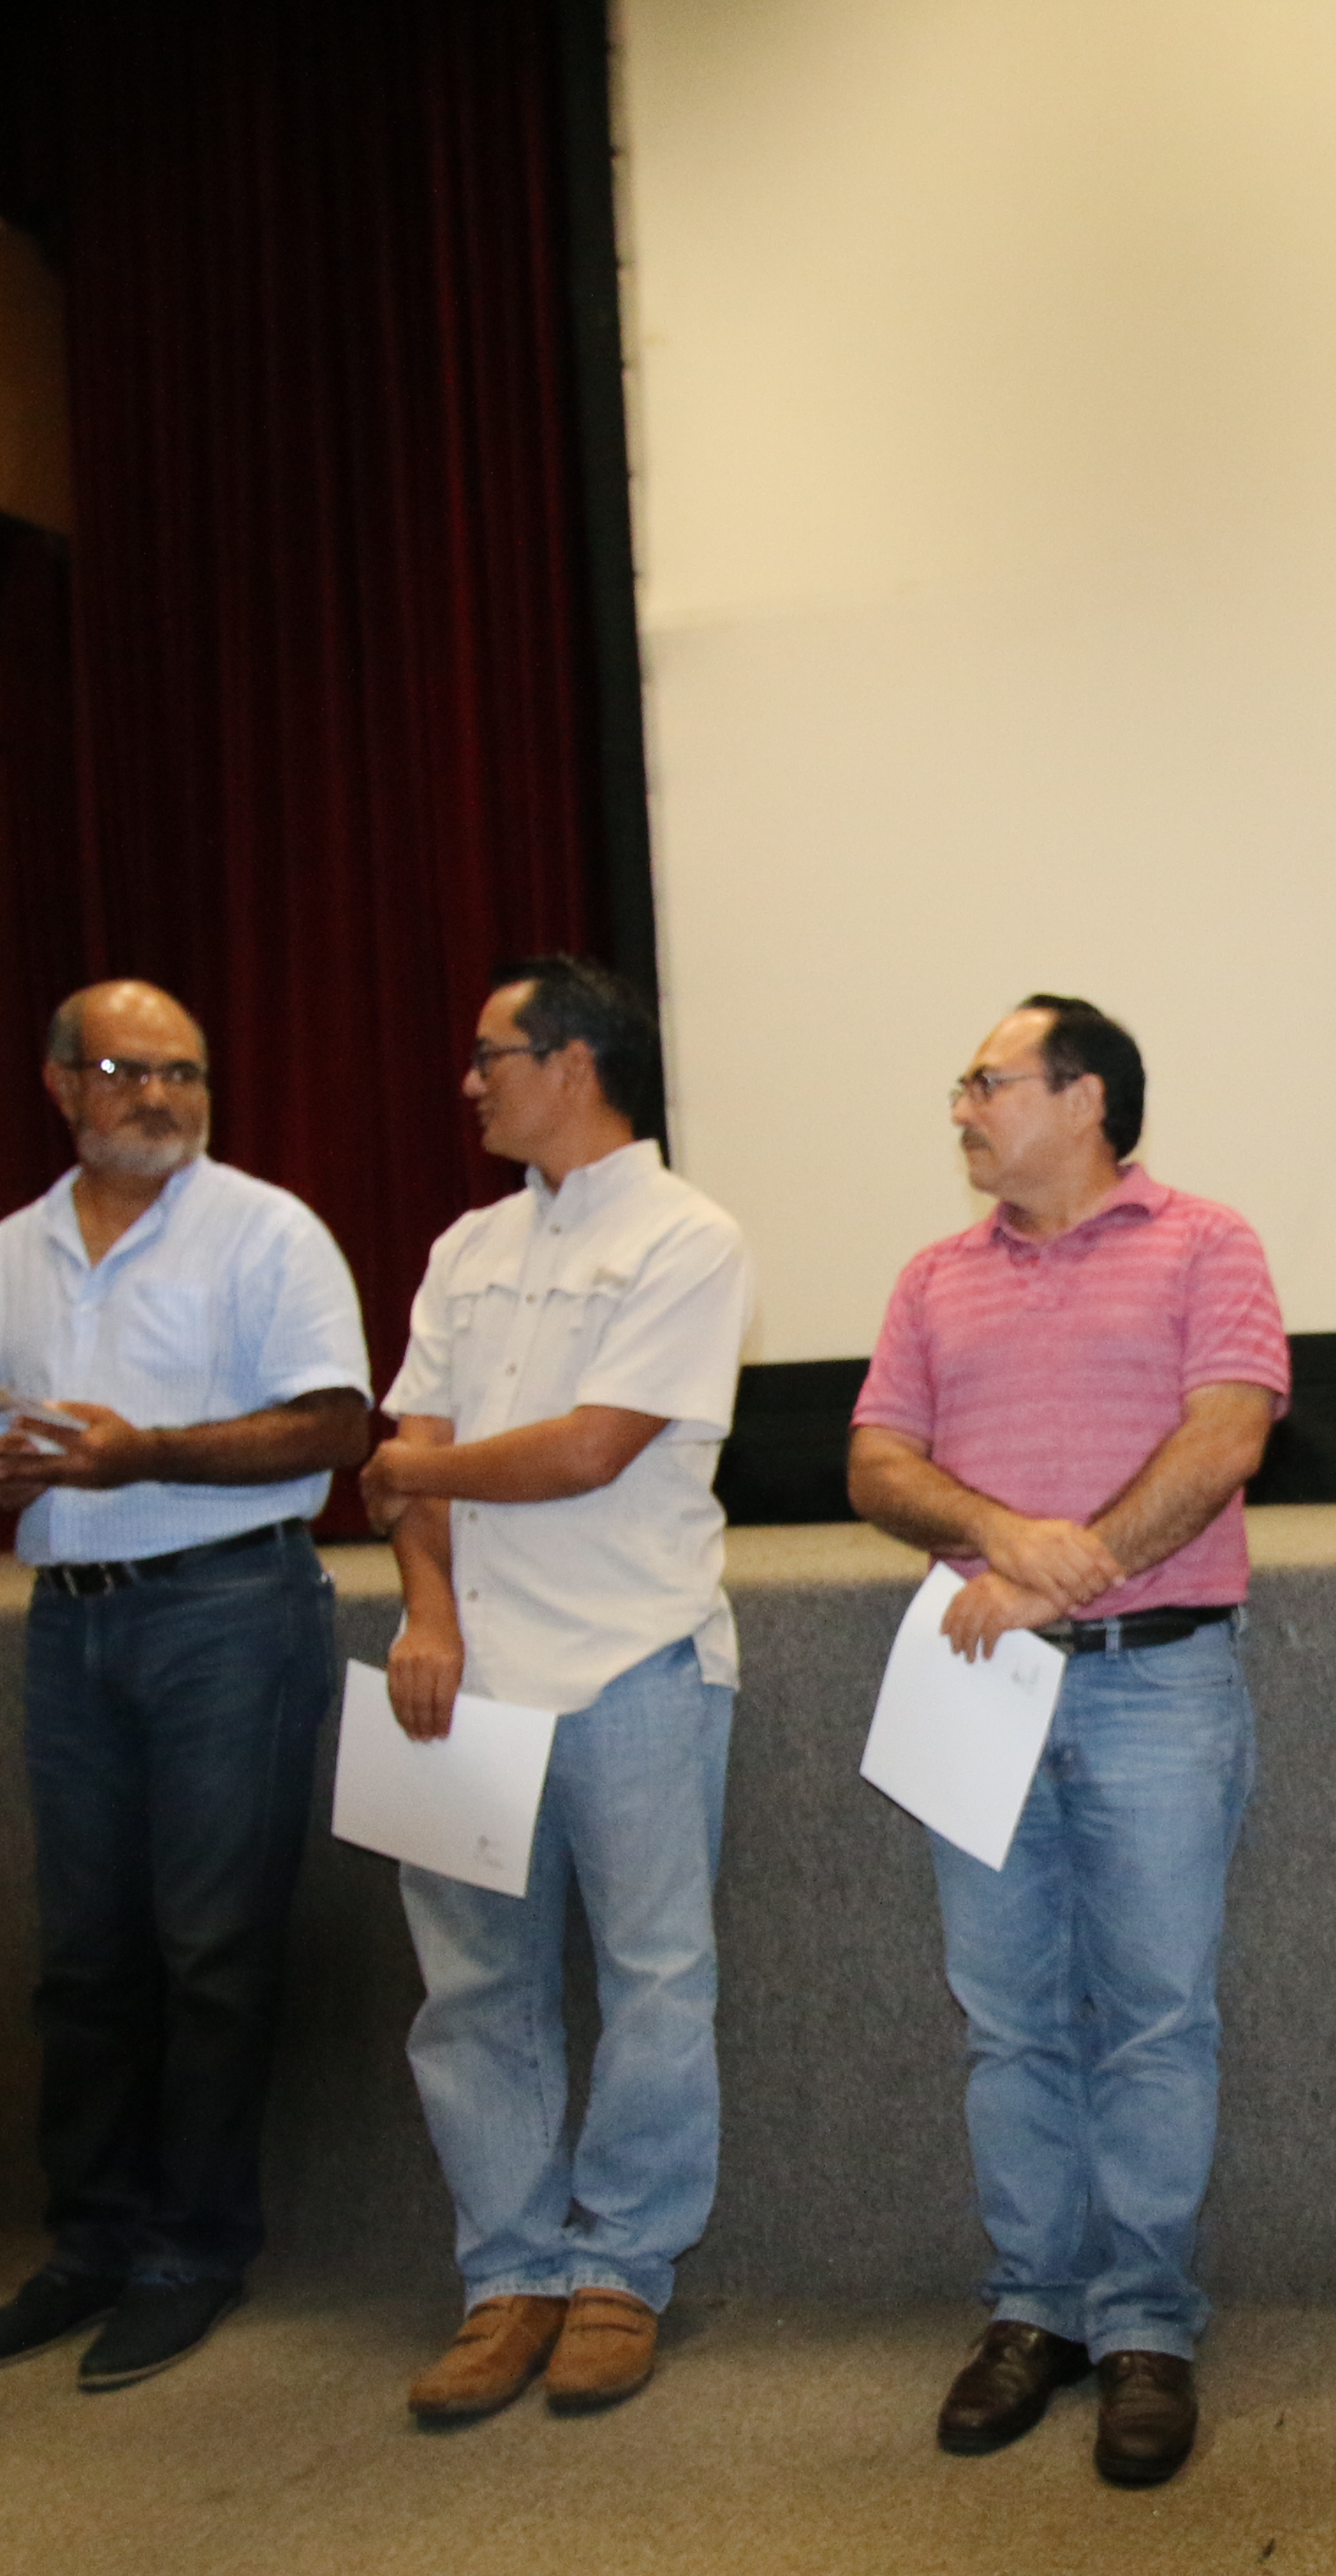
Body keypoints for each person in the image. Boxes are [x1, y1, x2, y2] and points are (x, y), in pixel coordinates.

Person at [850, 995, 1288, 2490]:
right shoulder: (932, 1277)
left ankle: (1150, 2325)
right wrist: (998, 1537)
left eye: (989, 1080)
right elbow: (875, 1460)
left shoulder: (1205, 1242)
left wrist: (1072, 1562)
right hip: (981, 1688)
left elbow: (1228, 1434)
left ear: (1085, 1097)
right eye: (964, 1083)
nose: (963, 1106)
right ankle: (1034, 2311)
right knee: (1011, 2012)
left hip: (1156, 1681)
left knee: (1157, 2013)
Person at [0, 980, 370, 2395]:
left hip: (228, 1608)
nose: (162, 1097)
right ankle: (91, 2244)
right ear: (61, 1085)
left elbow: (334, 1426)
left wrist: (144, 1455)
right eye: (129, 1070)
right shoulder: (8, 1253)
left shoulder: (267, 1230)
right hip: (70, 1619)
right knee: (86, 1959)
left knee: (212, 1953)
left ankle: (194, 2254)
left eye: (186, 1072)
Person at [362, 957, 752, 2421]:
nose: (468, 1081)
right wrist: (427, 1611)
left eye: (491, 1054)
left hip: (632, 1663)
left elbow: (590, 1450)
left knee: (656, 1981)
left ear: (575, 1062)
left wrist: (418, 1470)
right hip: (458, 1677)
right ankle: (505, 2276)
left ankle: (622, 2273)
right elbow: (411, 1441)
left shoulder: (687, 1236)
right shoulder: (464, 1246)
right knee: (470, 1991)